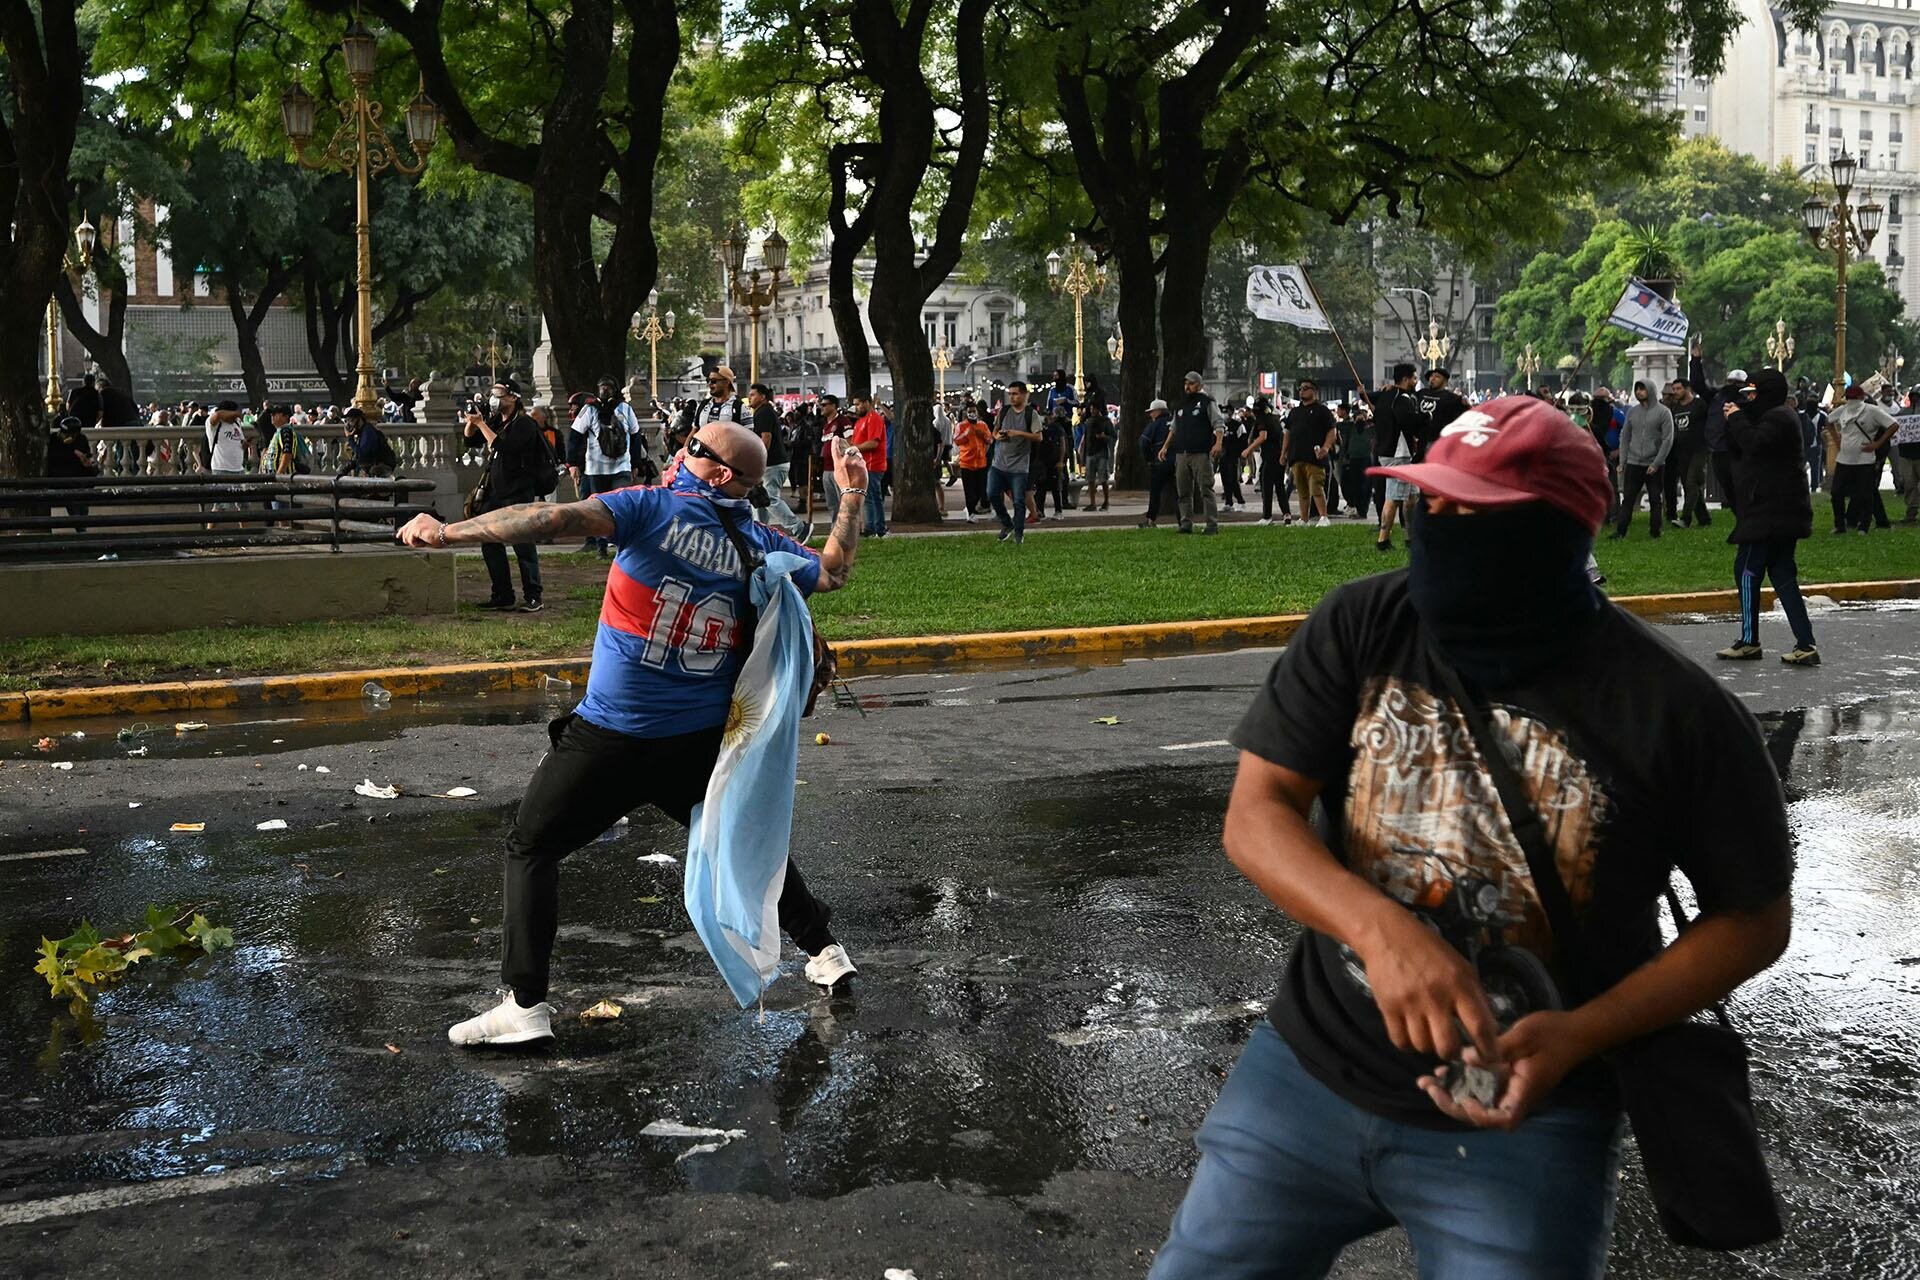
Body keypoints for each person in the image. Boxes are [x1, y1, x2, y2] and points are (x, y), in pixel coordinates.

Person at [1148, 394, 1794, 1280]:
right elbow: (1257, 816)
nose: (1440, 531)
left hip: (1530, 1116)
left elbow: (1753, 918)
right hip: (1307, 1078)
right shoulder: (1364, 622)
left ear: (1558, 534)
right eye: (1431, 507)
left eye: (1472, 513)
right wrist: (1382, 932)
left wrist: (1582, 1034)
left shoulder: (1675, 710)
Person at [398, 419, 871, 1045]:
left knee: (529, 846)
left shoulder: (651, 510)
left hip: (613, 737)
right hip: (696, 743)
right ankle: (826, 950)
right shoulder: (760, 543)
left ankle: (525, 1006)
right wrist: (853, 496)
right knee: (735, 835)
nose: (679, 452)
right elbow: (835, 570)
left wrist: (448, 531)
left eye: (693, 448)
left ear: (720, 473)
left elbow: (551, 521)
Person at [1718, 369, 1819, 666]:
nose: (1748, 400)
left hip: (1770, 513)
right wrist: (1735, 418)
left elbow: (1754, 444)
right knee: (1783, 573)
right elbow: (1739, 448)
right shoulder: (1774, 415)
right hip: (1780, 512)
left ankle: (1749, 641)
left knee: (1747, 570)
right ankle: (1805, 643)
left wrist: (1736, 418)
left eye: (1753, 394)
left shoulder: (1778, 417)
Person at [464, 378, 547, 612]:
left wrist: (481, 425)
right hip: (495, 492)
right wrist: (472, 422)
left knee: (522, 543)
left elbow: (502, 446)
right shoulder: (496, 420)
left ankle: (533, 595)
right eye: (493, 393)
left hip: (517, 492)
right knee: (489, 540)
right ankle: (502, 594)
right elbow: (469, 440)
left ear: (513, 397)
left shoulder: (524, 424)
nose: (494, 397)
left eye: (499, 393)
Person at [568, 380, 642, 556]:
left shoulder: (625, 409)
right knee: (599, 508)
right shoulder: (589, 410)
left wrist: (636, 464)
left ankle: (621, 545)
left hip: (621, 466)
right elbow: (575, 436)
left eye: (608, 388)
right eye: (602, 387)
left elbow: (636, 435)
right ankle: (601, 547)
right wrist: (572, 463)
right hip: (596, 468)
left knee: (621, 507)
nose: (604, 391)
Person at [1826, 385, 1898, 535]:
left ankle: (1864, 525)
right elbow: (1829, 421)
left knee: (1865, 494)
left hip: (1864, 460)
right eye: (1849, 398)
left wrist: (1877, 444)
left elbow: (1893, 425)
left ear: (1861, 398)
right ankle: (1840, 525)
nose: (1851, 401)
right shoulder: (1844, 410)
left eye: (1854, 398)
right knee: (1836, 492)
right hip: (1844, 459)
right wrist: (1838, 440)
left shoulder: (1872, 411)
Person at [743, 382, 807, 540]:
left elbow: (766, 438)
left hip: (772, 464)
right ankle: (761, 535)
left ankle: (799, 528)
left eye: (753, 394)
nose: (749, 398)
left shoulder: (764, 412)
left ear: (763, 396)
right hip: (772, 463)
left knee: (769, 498)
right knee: (759, 501)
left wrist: (759, 461)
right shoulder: (762, 411)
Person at [1610, 381, 1673, 539]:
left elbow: (1667, 440)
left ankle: (1655, 531)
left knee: (1654, 499)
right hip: (1633, 462)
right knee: (1628, 498)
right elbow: (1625, 436)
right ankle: (1621, 531)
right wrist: (1623, 461)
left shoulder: (1663, 412)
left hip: (1654, 464)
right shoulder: (1632, 412)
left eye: (1642, 389)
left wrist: (1657, 463)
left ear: (1650, 390)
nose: (1639, 392)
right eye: (1637, 389)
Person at [1371, 364, 1423, 551]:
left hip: (1389, 450)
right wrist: (1426, 420)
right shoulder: (1402, 399)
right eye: (1414, 378)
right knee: (1393, 497)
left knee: (1412, 497)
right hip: (1398, 453)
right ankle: (1383, 540)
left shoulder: (1385, 396)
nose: (1416, 382)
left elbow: (1367, 396)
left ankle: (1411, 537)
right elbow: (1410, 423)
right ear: (1406, 379)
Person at [1165, 370, 1223, 535]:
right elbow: (1174, 428)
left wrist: (1218, 443)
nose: (1187, 387)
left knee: (1206, 488)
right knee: (1183, 491)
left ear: (1199, 385)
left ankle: (1212, 524)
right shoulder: (1181, 404)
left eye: (1191, 383)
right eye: (1186, 383)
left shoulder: (1207, 402)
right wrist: (1166, 446)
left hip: (1200, 452)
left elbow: (1218, 423)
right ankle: (1185, 523)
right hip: (1182, 452)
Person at [988, 380, 1044, 544]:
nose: (1012, 397)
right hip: (999, 464)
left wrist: (1017, 433)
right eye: (1010, 394)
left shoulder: (1030, 414)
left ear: (1024, 395)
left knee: (1019, 501)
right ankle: (1007, 524)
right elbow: (995, 432)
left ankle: (1019, 535)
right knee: (992, 493)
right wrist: (998, 436)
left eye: (1015, 394)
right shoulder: (1004, 411)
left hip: (1019, 467)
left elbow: (1039, 437)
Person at [1282, 379, 1339, 528]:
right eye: (1300, 388)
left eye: (1306, 388)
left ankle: (1323, 516)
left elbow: (1332, 430)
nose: (1302, 391)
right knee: (1301, 490)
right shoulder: (1294, 412)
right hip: (1296, 456)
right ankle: (1304, 519)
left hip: (1315, 457)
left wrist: (1325, 448)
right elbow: (1287, 433)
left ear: (1314, 391)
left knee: (1316, 487)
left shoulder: (1322, 410)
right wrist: (1284, 453)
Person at [1664, 377, 1709, 527]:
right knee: (1690, 485)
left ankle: (1686, 518)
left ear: (1687, 388)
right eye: (1674, 389)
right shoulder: (1675, 408)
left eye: (1678, 389)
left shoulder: (1699, 404)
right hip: (1681, 452)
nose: (1675, 392)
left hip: (1699, 449)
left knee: (1691, 482)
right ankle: (1704, 518)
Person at [45, 412, 96, 532]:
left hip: (78, 479)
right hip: (63, 480)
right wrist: (73, 452)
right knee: (75, 502)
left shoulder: (81, 440)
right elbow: (55, 459)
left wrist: (86, 462)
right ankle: (81, 528)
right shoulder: (55, 441)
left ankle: (81, 527)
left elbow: (86, 460)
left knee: (81, 501)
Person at [1245, 397, 1292, 526]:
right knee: (1280, 487)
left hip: (1270, 457)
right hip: (1278, 457)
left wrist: (1248, 450)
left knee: (1266, 487)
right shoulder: (1274, 419)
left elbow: (1262, 436)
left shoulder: (1261, 420)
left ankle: (1267, 516)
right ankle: (1286, 513)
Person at [849, 391, 889, 537]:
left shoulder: (874, 418)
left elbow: (873, 443)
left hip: (873, 464)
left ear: (867, 402)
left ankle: (874, 529)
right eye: (855, 405)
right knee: (872, 497)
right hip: (864, 465)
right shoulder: (861, 420)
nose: (856, 407)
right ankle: (875, 527)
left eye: (858, 404)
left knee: (871, 497)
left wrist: (855, 448)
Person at [1137, 399, 1180, 528]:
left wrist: (1150, 459)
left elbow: (1143, 443)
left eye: (1152, 412)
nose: (1150, 415)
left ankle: (1151, 520)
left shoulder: (1154, 425)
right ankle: (1182, 520)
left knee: (1155, 493)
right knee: (1180, 493)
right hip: (1178, 461)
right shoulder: (1176, 421)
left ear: (1158, 411)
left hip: (1160, 463)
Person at [953, 402, 993, 522]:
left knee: (981, 490)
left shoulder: (983, 425)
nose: (972, 414)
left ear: (977, 412)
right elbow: (956, 441)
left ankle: (971, 507)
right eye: (969, 411)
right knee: (969, 490)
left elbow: (990, 440)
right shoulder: (961, 426)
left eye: (974, 411)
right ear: (966, 413)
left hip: (981, 463)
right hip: (967, 463)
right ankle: (970, 514)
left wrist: (983, 436)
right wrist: (966, 434)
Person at [1080, 397, 1115, 511]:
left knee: (1103, 478)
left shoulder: (1106, 421)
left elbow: (1113, 436)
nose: (1092, 411)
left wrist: (1105, 437)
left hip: (1101, 453)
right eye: (1091, 409)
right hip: (1091, 452)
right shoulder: (1089, 422)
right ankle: (1093, 503)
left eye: (1094, 409)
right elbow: (1086, 439)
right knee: (1090, 479)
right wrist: (1083, 454)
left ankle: (1106, 501)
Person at [1894, 392, 1920, 524]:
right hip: (1906, 454)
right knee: (1909, 484)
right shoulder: (1902, 413)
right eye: (1913, 396)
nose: (1915, 399)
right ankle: (1911, 513)